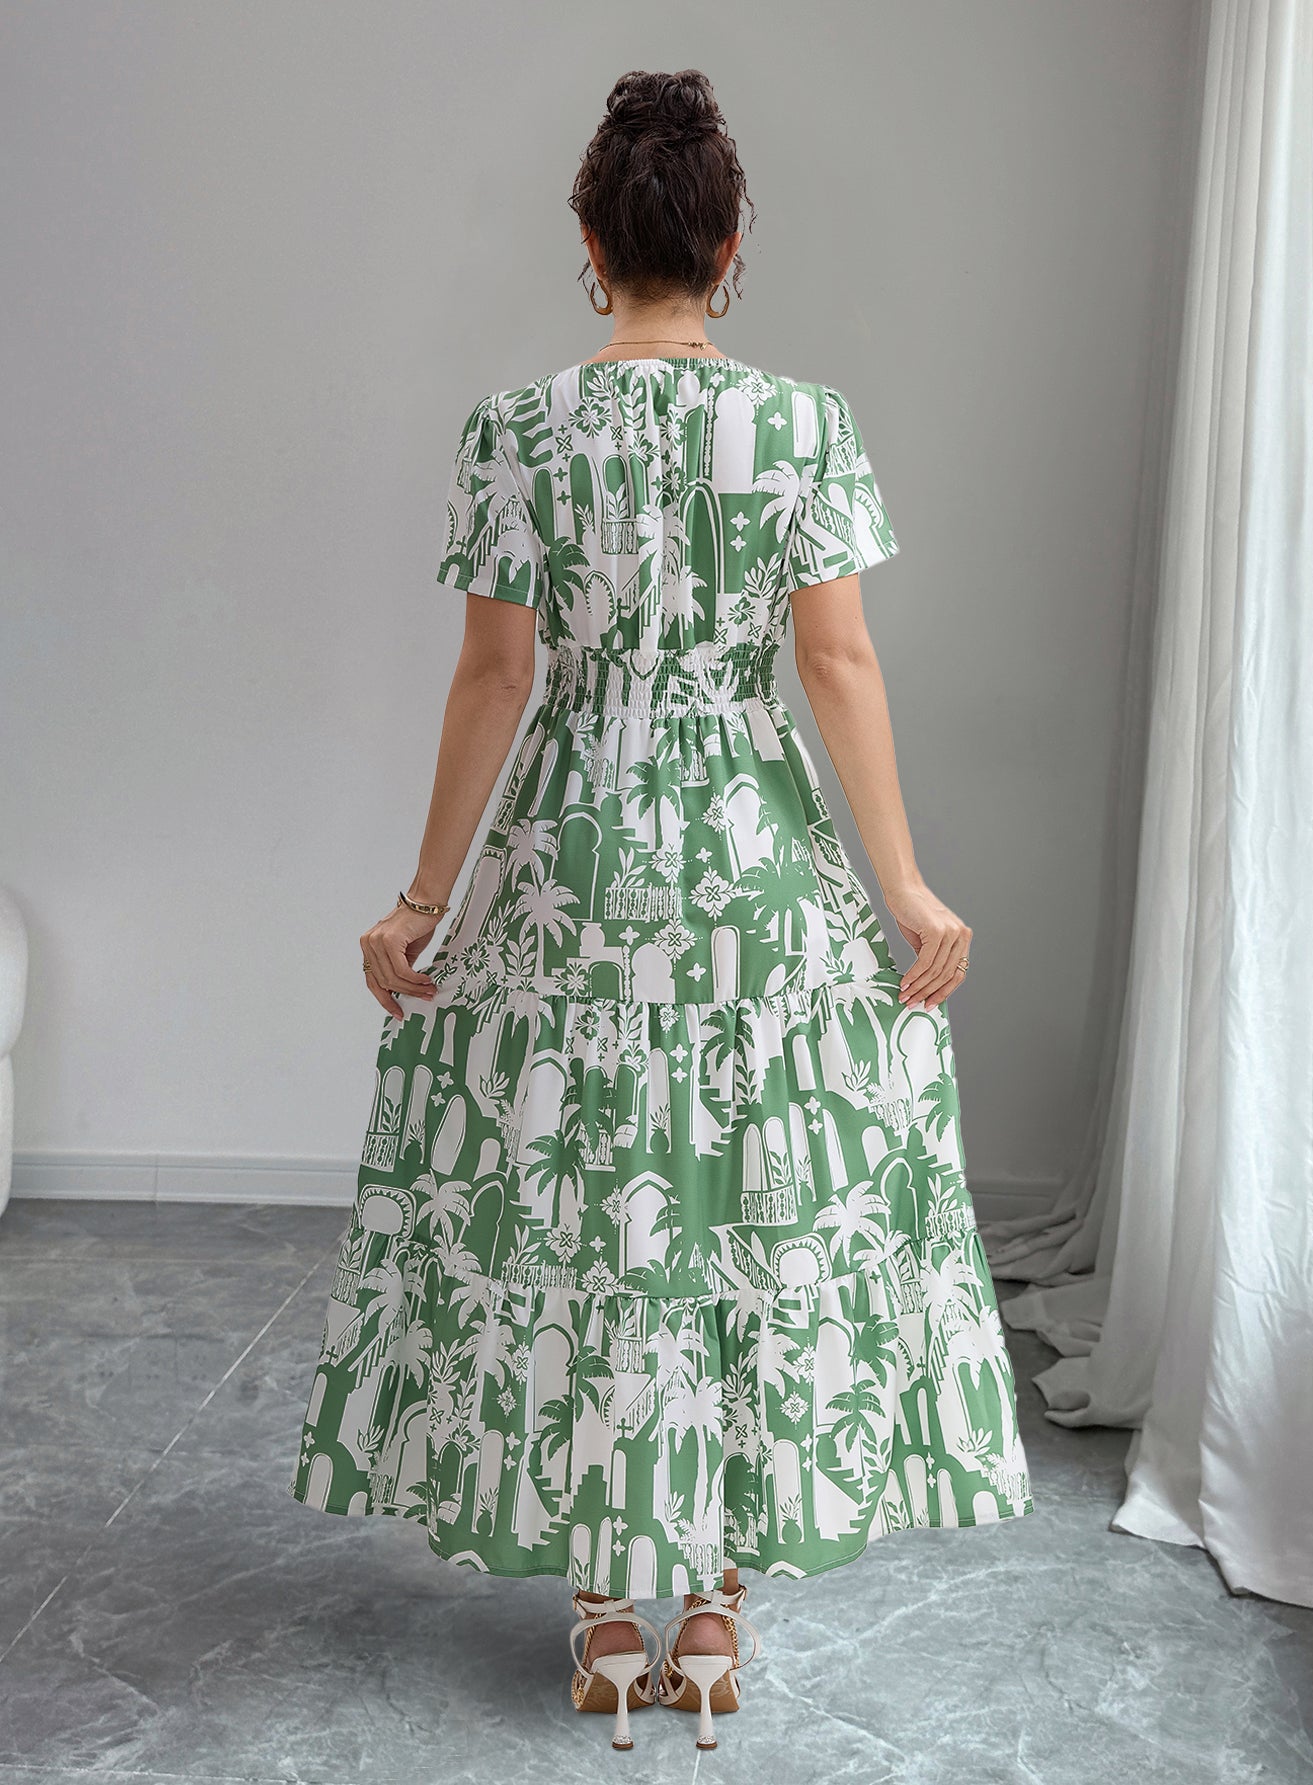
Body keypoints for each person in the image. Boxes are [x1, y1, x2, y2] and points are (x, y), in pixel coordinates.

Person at [289, 66, 1034, 1753]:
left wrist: (423, 902)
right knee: (744, 1206)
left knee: (582, 1205)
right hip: (754, 869)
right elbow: (833, 661)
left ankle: (605, 1625)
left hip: (571, 859)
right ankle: (716, 1618)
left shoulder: (517, 431)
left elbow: (495, 677)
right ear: (733, 243)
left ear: (588, 240)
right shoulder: (806, 425)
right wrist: (902, 883)